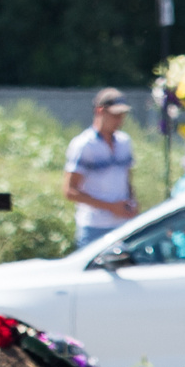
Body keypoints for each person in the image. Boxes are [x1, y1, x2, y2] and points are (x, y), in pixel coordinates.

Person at [64, 87, 138, 247]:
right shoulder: (84, 145)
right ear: (100, 111)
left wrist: (133, 203)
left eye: (122, 115)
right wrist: (111, 207)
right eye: (115, 115)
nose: (119, 120)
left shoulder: (124, 142)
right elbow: (70, 191)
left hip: (123, 226)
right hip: (94, 227)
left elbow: (127, 180)